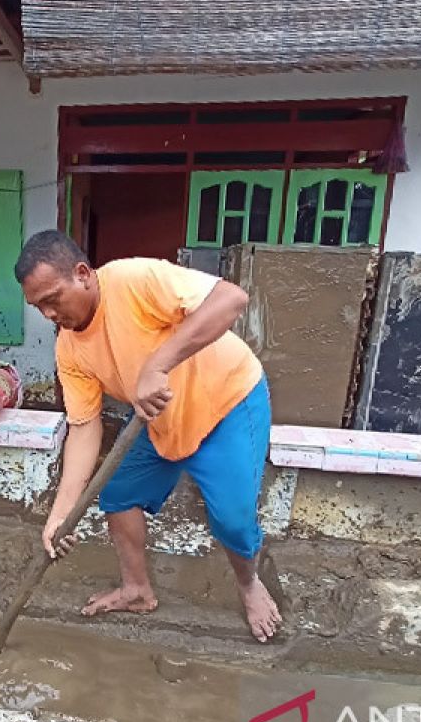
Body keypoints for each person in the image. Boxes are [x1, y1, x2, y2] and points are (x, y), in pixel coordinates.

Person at [15, 230, 281, 641]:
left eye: (53, 299)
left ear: (83, 274)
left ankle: (250, 585)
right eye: (39, 307)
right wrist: (60, 515)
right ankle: (136, 589)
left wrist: (158, 364)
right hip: (158, 416)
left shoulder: (132, 280)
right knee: (118, 496)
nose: (49, 314)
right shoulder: (69, 349)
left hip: (226, 401)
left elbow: (232, 299)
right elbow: (84, 428)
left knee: (233, 518)